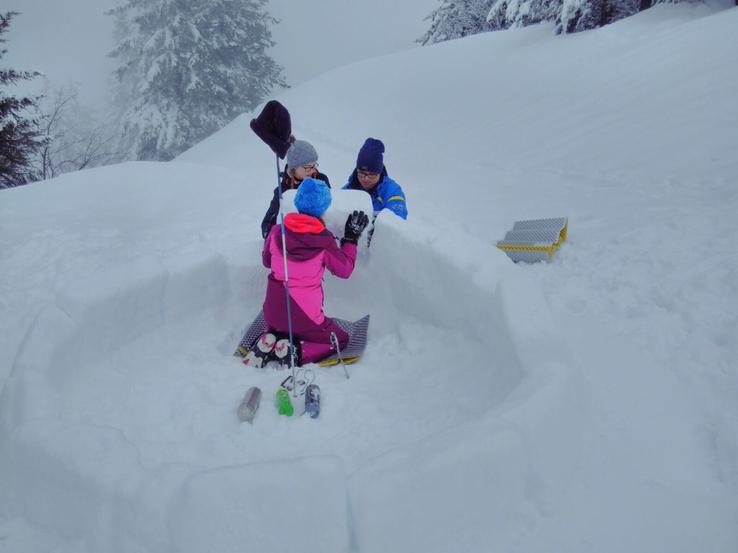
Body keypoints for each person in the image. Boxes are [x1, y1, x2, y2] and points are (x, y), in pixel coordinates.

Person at [244, 178, 369, 368]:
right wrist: (350, 239)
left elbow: (267, 261)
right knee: (340, 339)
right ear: (324, 208)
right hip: (306, 318)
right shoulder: (324, 241)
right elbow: (344, 270)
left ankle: (271, 338)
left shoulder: (277, 232)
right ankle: (295, 350)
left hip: (272, 312)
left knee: (281, 324)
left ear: (298, 201)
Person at [260, 139, 331, 239]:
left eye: (314, 165)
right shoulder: (283, 190)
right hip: (294, 242)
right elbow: (266, 225)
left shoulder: (321, 180)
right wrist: (272, 230)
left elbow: (332, 208)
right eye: (308, 167)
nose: (313, 170)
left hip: (320, 237)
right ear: (294, 167)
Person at [342, 137, 408, 220]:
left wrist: (370, 226)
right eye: (362, 173)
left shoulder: (392, 191)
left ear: (380, 173)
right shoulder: (346, 191)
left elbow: (397, 220)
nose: (366, 179)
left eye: (372, 175)